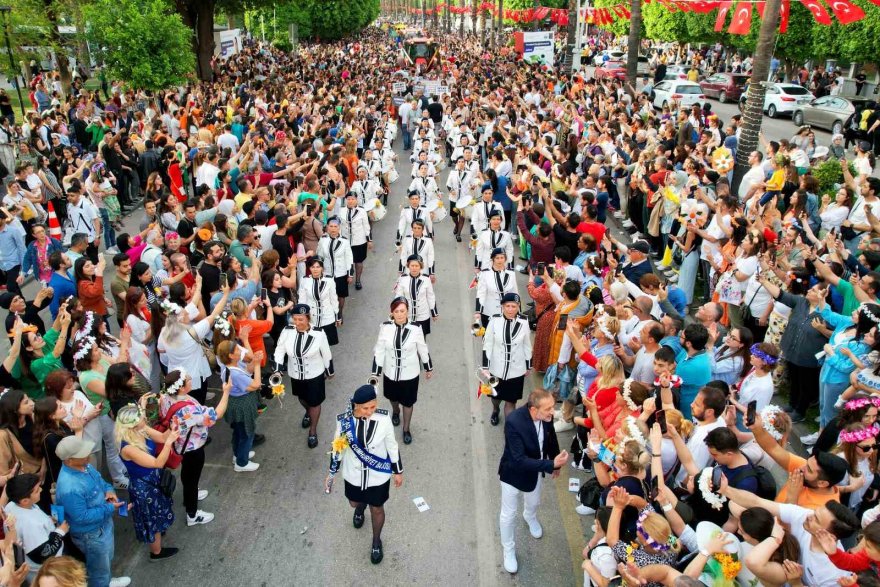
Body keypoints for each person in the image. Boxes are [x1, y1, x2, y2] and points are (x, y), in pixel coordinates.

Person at [719, 472, 860, 587]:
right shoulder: (805, 516)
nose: (809, 515)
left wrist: (796, 582)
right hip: (781, 565)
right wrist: (725, 489)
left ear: (831, 536)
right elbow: (757, 502)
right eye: (815, 512)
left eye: (816, 519)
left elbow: (754, 562)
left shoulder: (834, 574)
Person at [325, 385, 403, 565]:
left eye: (373, 407)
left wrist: (397, 471)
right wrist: (331, 473)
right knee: (353, 503)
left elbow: (392, 446)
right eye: (365, 408)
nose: (370, 411)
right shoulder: (344, 421)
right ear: (356, 405)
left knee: (377, 508)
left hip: (378, 476)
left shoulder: (384, 419)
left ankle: (376, 541)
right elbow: (338, 449)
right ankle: (361, 507)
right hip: (354, 475)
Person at [497, 389, 567, 574]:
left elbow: (550, 438)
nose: (553, 412)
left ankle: (529, 516)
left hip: (535, 471)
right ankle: (509, 549)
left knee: (534, 502)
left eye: (553, 407)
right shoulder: (513, 422)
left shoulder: (546, 417)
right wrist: (550, 464)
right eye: (548, 409)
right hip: (512, 475)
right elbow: (519, 460)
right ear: (534, 410)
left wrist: (556, 463)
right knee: (508, 514)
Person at [53, 436, 131, 587]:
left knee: (105, 562)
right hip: (91, 535)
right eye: (82, 454)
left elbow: (101, 482)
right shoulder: (69, 487)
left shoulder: (85, 466)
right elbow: (82, 517)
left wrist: (109, 491)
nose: (88, 454)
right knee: (98, 571)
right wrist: (110, 508)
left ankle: (106, 581)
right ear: (69, 460)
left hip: (102, 525)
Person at [160, 369, 232, 527]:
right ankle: (192, 514)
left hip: (180, 445)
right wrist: (226, 392)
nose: (191, 380)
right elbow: (216, 414)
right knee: (192, 478)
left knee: (188, 475)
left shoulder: (165, 398)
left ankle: (189, 497)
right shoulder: (188, 410)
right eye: (188, 380)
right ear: (181, 388)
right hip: (193, 448)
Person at [113, 404, 179, 561]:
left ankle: (158, 532)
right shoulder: (127, 447)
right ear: (133, 424)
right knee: (152, 518)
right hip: (144, 487)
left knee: (157, 513)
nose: (145, 418)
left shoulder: (141, 429)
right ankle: (156, 553)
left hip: (152, 480)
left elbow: (162, 437)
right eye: (142, 416)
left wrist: (172, 427)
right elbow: (157, 463)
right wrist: (169, 443)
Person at [371, 298, 433, 444]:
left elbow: (422, 349)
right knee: (392, 397)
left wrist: (428, 367)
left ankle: (406, 429)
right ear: (391, 313)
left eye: (402, 311)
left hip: (410, 374)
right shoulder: (385, 327)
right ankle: (396, 411)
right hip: (391, 372)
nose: (400, 314)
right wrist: (376, 373)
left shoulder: (416, 328)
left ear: (407, 312)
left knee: (408, 402)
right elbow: (379, 350)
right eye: (396, 311)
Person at [274, 304, 334, 448]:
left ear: (308, 318)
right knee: (302, 398)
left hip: (315, 374)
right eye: (295, 319)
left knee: (315, 402)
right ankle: (308, 413)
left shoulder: (319, 333)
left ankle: (312, 431)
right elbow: (280, 349)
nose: (297, 323)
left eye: (301, 319)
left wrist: (330, 371)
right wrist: (277, 369)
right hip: (295, 373)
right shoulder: (287, 331)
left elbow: (326, 353)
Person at [3, 474, 68, 580]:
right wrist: (60, 531)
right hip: (45, 570)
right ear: (24, 501)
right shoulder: (30, 525)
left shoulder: (11, 505)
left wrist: (47, 520)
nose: (41, 490)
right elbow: (42, 555)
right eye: (37, 490)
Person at [482, 293, 533, 426]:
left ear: (518, 307)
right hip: (497, 368)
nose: (510, 309)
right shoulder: (494, 320)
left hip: (516, 369)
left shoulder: (524, 321)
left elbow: (527, 344)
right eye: (507, 306)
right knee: (496, 397)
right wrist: (486, 366)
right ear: (502, 307)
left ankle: (509, 429)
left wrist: (528, 365)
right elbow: (488, 343)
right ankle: (495, 409)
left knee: (511, 401)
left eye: (514, 306)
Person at [217, 340, 263, 472]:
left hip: (235, 403)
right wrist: (258, 365)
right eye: (237, 350)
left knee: (238, 432)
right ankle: (241, 463)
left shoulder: (230, 366)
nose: (241, 351)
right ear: (231, 355)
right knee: (247, 433)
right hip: (242, 406)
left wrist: (253, 361)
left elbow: (247, 372)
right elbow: (255, 384)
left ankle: (238, 455)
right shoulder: (234, 373)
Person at [298, 257, 340, 346]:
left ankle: (328, 360)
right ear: (310, 268)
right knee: (313, 345)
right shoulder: (304, 280)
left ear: (322, 268)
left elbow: (334, 299)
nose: (315, 269)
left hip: (327, 317)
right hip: (312, 319)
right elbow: (302, 301)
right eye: (313, 267)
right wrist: (302, 318)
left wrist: (337, 316)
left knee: (327, 345)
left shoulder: (329, 280)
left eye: (318, 267)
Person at [392, 255, 438, 337]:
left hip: (423, 315)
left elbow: (430, 296)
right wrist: (395, 312)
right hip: (407, 315)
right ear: (408, 266)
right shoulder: (402, 279)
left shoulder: (426, 279)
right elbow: (398, 297)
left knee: (421, 339)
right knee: (407, 340)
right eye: (412, 266)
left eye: (416, 266)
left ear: (421, 267)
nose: (414, 268)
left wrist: (434, 313)